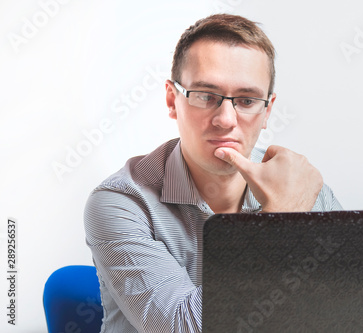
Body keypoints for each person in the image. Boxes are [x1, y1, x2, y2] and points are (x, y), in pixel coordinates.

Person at [84, 13, 342, 332]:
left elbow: (347, 307)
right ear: (171, 99)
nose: (225, 119)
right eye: (206, 96)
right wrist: (284, 218)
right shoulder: (120, 203)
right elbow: (182, 326)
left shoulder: (304, 187)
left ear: (267, 111)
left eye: (247, 100)